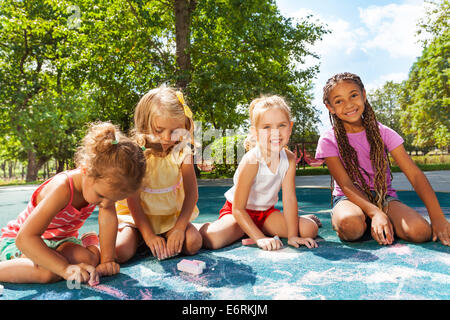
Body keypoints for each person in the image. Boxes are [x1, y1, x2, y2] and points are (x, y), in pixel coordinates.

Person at [0, 122, 147, 284]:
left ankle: (65, 255)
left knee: (89, 259)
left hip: (59, 242)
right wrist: (64, 269)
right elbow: (25, 239)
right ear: (85, 170)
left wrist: (107, 260)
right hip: (22, 242)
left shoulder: (103, 187)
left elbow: (108, 217)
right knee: (48, 273)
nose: (106, 204)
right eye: (102, 196)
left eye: (113, 200)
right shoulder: (62, 189)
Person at [316, 72, 449, 246]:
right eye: (339, 101)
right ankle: (369, 220)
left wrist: (437, 217)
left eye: (353, 95)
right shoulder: (328, 139)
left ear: (363, 95)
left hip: (383, 197)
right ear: (330, 107)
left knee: (420, 232)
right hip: (348, 199)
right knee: (351, 226)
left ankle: (381, 221)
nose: (348, 104)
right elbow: (346, 184)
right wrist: (375, 213)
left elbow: (415, 175)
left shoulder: (383, 133)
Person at [199, 95, 320, 251]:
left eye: (281, 125)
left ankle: (256, 229)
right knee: (212, 239)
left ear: (290, 128)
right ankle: (212, 227)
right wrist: (260, 239)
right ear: (255, 132)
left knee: (309, 230)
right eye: (267, 127)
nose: (275, 132)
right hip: (238, 213)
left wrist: (292, 236)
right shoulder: (252, 160)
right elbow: (238, 209)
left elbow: (289, 198)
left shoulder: (289, 158)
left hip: (266, 214)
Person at [115, 86, 202, 262]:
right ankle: (143, 240)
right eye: (159, 130)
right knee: (120, 252)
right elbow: (133, 201)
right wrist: (148, 236)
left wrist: (179, 228)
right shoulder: (137, 154)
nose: (167, 138)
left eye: (175, 131)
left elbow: (192, 194)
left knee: (193, 243)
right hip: (137, 220)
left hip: (170, 219)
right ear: (144, 125)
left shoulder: (182, 152)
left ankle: (162, 239)